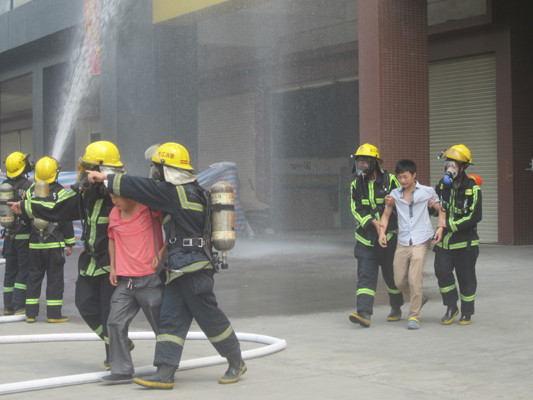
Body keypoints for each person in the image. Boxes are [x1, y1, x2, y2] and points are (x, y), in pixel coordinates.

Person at [88, 142, 246, 390]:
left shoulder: (175, 193)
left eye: (156, 167)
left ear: (165, 169)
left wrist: (106, 178)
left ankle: (236, 360)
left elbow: (143, 187)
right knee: (170, 320)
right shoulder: (192, 190)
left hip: (193, 268)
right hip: (178, 268)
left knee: (209, 317)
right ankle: (164, 371)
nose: (154, 173)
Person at [10, 141, 126, 368]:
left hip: (113, 264)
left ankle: (116, 357)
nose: (82, 173)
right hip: (92, 262)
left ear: (101, 171)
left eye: (87, 168)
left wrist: (110, 183)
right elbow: (58, 209)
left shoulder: (123, 192)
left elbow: (142, 188)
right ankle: (116, 342)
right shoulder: (87, 194)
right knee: (85, 304)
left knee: (109, 313)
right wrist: (26, 208)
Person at [101, 194, 166, 385]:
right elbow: (112, 239)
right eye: (111, 197)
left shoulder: (150, 208)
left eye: (117, 197)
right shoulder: (115, 213)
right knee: (114, 322)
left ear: (129, 195)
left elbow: (171, 230)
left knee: (160, 326)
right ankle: (121, 370)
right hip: (126, 281)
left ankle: (166, 367)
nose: (114, 202)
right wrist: (114, 267)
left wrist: (162, 252)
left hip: (150, 279)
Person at [378, 159, 446, 330]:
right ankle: (420, 298)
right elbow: (385, 216)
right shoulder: (394, 194)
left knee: (415, 279)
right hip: (403, 241)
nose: (402, 180)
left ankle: (414, 316)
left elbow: (441, 210)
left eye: (406, 176)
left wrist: (440, 227)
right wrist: (381, 233)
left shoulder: (426, 191)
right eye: (400, 177)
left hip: (420, 241)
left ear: (414, 175)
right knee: (399, 281)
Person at [348, 144, 404, 328]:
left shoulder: (391, 181)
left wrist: (395, 202)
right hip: (366, 239)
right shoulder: (356, 185)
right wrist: (372, 222)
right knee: (365, 275)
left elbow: (405, 201)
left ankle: (396, 307)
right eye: (358, 162)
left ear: (374, 164)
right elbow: (356, 209)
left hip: (389, 237)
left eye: (364, 162)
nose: (361, 165)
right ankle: (364, 313)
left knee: (391, 275)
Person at [433, 145, 482, 325]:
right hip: (444, 242)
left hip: (465, 243)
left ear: (463, 167)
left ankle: (467, 312)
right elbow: (436, 208)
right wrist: (431, 206)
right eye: (447, 164)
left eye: (453, 165)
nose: (449, 169)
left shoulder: (472, 189)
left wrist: (449, 224)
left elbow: (475, 216)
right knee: (442, 272)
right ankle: (451, 306)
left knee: (466, 278)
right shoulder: (441, 184)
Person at [25, 157, 75, 323]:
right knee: (54, 279)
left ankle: (31, 314)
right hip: (54, 244)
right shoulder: (60, 192)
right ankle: (53, 315)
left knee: (33, 277)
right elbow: (65, 218)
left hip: (34, 243)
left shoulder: (31, 189)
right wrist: (69, 242)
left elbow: (25, 213)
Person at [1, 152, 33, 316]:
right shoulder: (28, 186)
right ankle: (19, 305)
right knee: (23, 269)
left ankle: (7, 306)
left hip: (8, 236)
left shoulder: (3, 186)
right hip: (24, 235)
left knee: (10, 270)